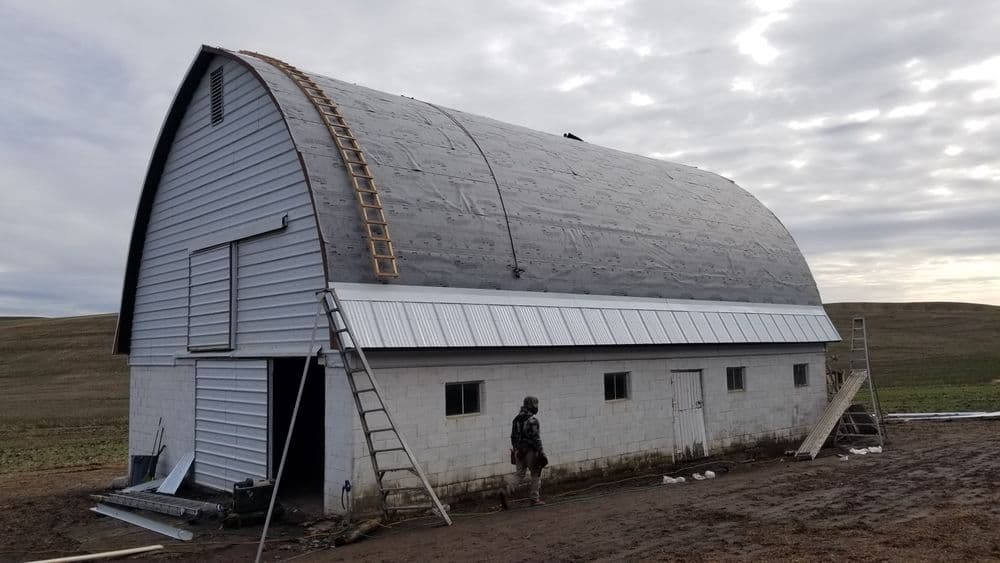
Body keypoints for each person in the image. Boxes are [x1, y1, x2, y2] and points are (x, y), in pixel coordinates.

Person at [501, 396, 548, 508]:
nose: (537, 407)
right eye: (535, 405)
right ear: (531, 405)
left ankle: (506, 490)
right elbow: (536, 438)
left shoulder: (516, 419)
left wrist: (515, 450)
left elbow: (513, 437)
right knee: (535, 474)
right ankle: (534, 499)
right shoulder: (532, 420)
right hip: (531, 451)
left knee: (519, 474)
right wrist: (541, 452)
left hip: (519, 451)